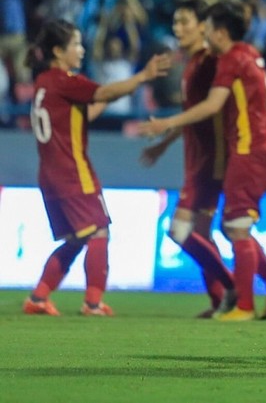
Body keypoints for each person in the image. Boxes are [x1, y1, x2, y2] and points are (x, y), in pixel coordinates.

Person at [139, 0, 266, 319]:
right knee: (219, 228)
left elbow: (212, 107)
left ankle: (235, 294)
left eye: (185, 22)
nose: (178, 29)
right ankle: (250, 290)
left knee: (198, 230)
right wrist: (165, 142)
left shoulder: (215, 61)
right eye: (175, 23)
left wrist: (165, 126)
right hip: (212, 156)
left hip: (217, 159)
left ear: (207, 28)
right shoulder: (203, 62)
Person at [23, 19, 171, 316]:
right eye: (75, 44)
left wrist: (112, 94)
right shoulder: (64, 80)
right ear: (57, 51)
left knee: (78, 237)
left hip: (50, 175)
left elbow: (83, 113)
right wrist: (142, 76)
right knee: (99, 232)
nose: (81, 50)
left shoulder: (44, 82)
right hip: (73, 172)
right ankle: (92, 303)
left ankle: (38, 298)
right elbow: (104, 93)